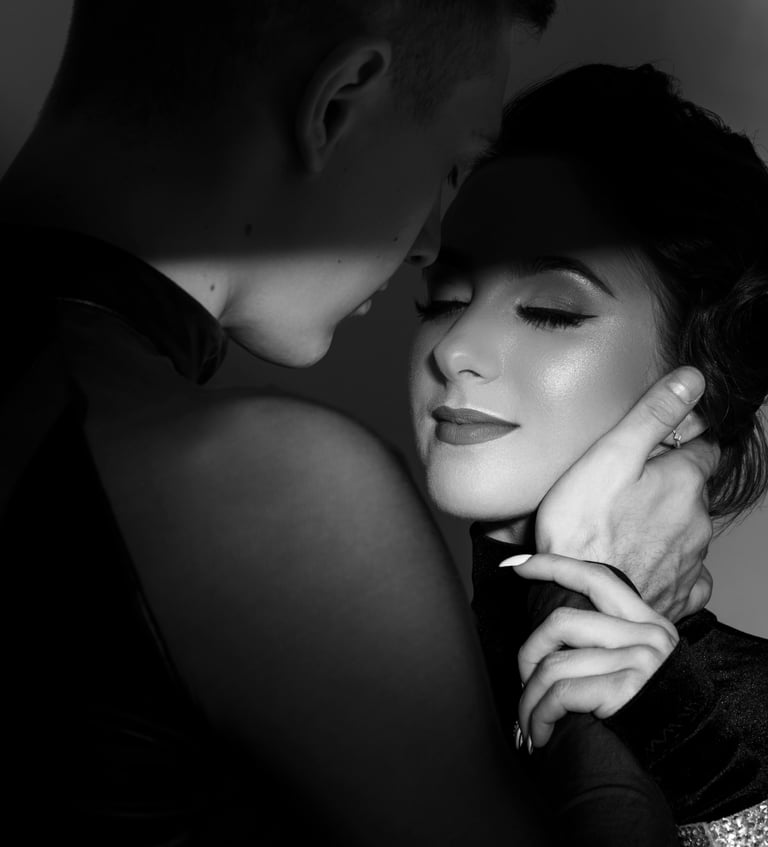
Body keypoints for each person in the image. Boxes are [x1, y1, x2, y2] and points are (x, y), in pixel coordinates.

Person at [0, 3, 717, 844]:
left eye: (550, 310)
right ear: (337, 102)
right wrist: (591, 597)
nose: (428, 240)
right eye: (452, 163)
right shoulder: (263, 485)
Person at [409, 62, 768, 845]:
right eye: (443, 299)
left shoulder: (745, 733)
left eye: (550, 309)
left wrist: (693, 759)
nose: (454, 347)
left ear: (691, 399)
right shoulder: (332, 664)